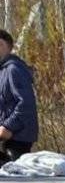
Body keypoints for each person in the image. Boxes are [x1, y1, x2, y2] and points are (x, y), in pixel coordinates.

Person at [0, 28, 38, 164]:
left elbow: (26, 103)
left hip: (18, 138)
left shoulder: (14, 69)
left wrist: (8, 127)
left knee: (17, 179)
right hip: (8, 137)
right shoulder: (4, 70)